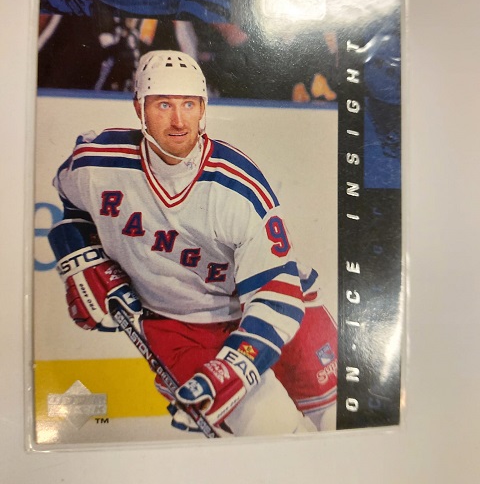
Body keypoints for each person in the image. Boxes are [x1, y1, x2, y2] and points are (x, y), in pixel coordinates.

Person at [48, 50, 337, 437]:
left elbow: (277, 293)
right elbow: (70, 202)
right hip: (181, 331)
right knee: (280, 439)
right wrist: (76, 249)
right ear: (139, 108)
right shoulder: (96, 164)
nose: (179, 120)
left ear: (203, 109)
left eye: (189, 104)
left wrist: (237, 365)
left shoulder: (236, 187)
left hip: (271, 314)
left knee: (339, 423)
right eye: (163, 104)